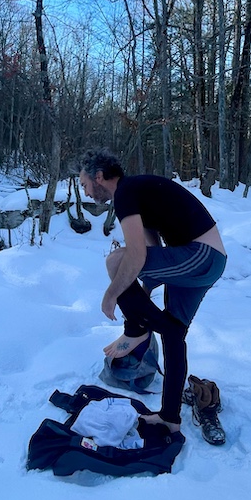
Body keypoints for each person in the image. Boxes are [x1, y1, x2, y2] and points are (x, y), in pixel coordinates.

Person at [79, 148, 227, 433]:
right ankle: (169, 417)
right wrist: (139, 298)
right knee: (173, 332)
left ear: (99, 177)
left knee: (115, 260)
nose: (85, 192)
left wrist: (112, 297)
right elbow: (151, 253)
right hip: (198, 259)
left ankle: (136, 330)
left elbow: (135, 257)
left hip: (200, 255)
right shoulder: (137, 194)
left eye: (85, 184)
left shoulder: (125, 192)